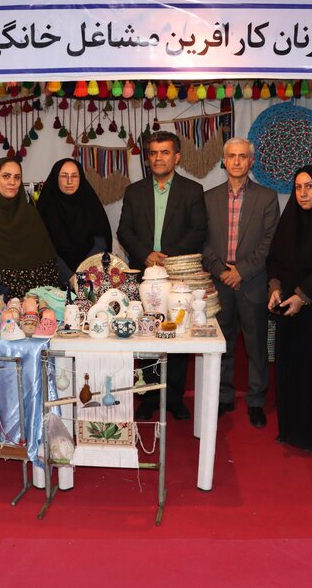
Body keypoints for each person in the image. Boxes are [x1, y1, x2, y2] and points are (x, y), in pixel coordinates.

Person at [117, 130, 207, 420]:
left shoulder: (192, 190)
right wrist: (146, 254)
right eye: (153, 153)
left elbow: (198, 229)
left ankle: (174, 398)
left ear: (176, 157)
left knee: (177, 334)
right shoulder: (134, 191)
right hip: (143, 274)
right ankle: (149, 397)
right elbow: (124, 230)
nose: (158, 158)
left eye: (165, 152)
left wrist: (166, 256)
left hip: (178, 275)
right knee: (145, 335)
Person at [202, 137, 281, 428]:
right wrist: (222, 271)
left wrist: (241, 272)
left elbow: (270, 241)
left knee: (256, 345)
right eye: (232, 156)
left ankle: (256, 400)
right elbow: (201, 239)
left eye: (243, 156)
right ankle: (223, 395)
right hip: (219, 281)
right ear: (224, 161)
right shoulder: (208, 198)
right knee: (221, 342)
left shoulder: (267, 197)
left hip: (252, 282)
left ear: (251, 161)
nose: (237, 161)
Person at [266, 165, 312, 451]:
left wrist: (302, 296)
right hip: (289, 314)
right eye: (298, 187)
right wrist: (275, 289)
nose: (303, 193)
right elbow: (275, 258)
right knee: (291, 370)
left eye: (309, 187)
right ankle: (291, 430)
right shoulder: (290, 220)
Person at [0, 157, 60, 299]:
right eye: (6, 176)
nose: (12, 182)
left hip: (32, 299)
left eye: (17, 177)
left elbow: (47, 264)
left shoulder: (30, 214)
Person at [37, 158, 113, 287]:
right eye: (64, 176)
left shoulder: (91, 204)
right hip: (54, 280)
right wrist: (69, 277)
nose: (69, 181)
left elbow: (101, 241)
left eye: (74, 176)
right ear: (56, 178)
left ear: (81, 178)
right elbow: (42, 246)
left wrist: (83, 273)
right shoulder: (45, 208)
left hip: (90, 279)